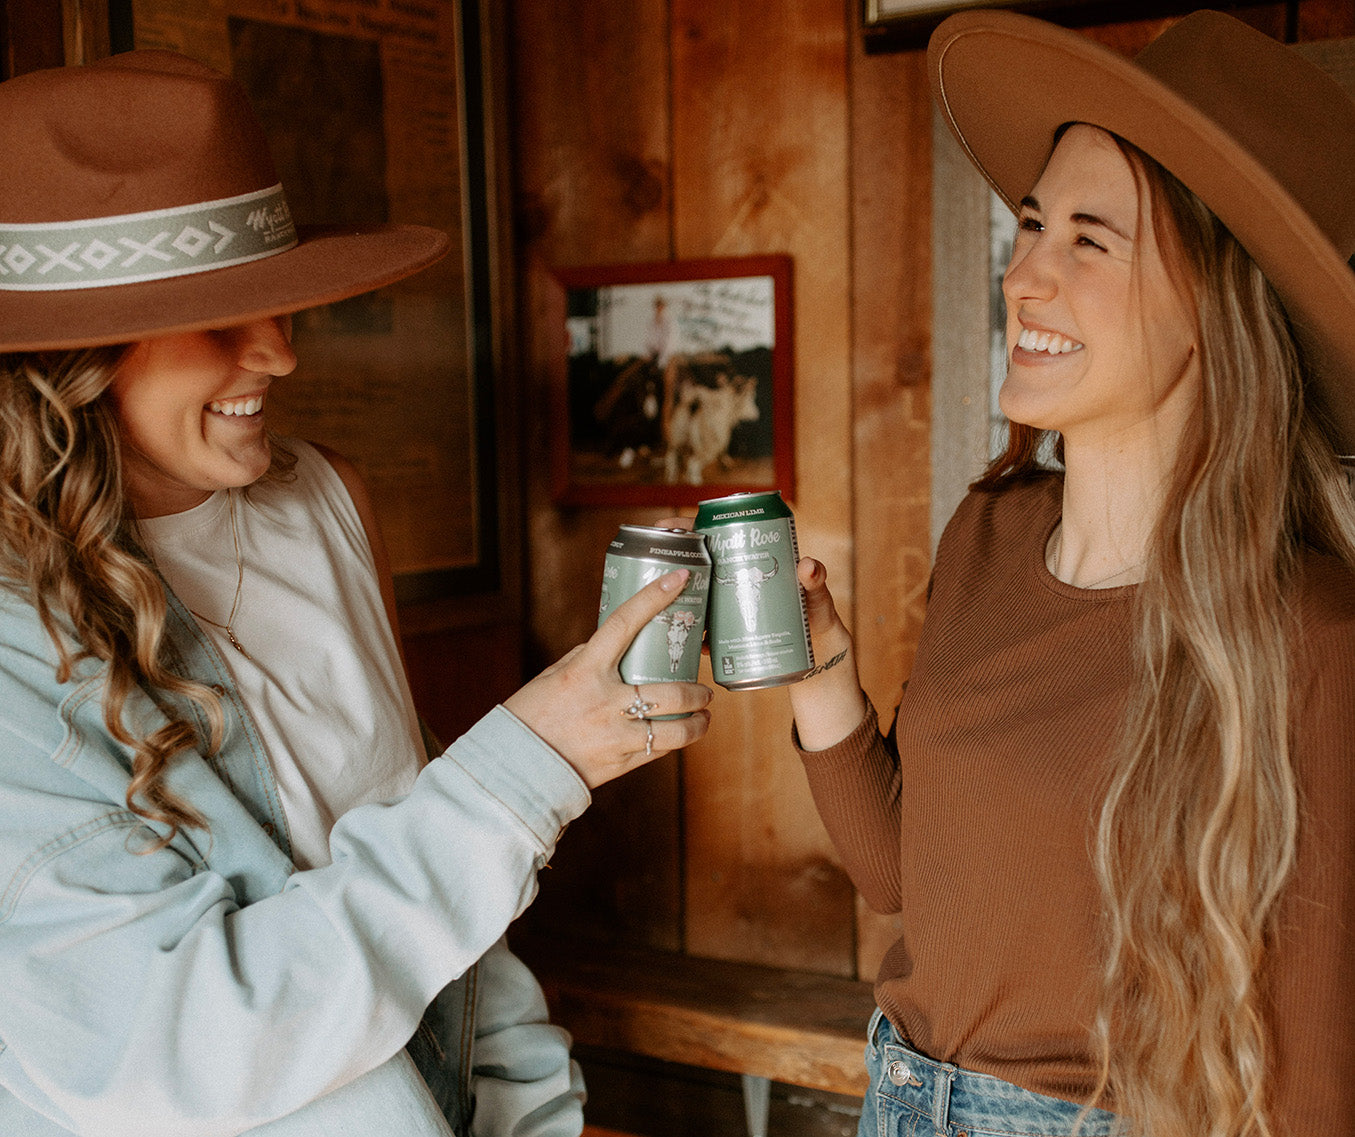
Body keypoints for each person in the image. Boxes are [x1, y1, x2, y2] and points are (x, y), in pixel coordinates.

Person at [0, 49, 711, 1137]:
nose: (279, 352)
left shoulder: (323, 502)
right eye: (219, 316)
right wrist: (524, 768)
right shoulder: (13, 634)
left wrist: (537, 1112)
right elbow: (165, 1052)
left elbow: (452, 916)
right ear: (76, 356)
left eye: (282, 303)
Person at [788, 10, 1355, 1137]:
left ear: (1210, 301)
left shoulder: (1312, 634)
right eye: (1030, 225)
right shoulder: (985, 536)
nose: (1023, 277)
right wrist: (817, 670)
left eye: (1088, 243)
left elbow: (1307, 1080)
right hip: (895, 1101)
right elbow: (908, 879)